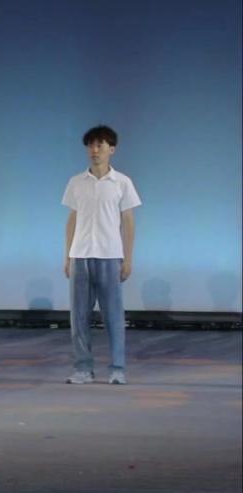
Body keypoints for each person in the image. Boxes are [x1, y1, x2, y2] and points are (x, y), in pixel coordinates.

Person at [63, 125, 140, 385]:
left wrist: (128, 258)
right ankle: (83, 368)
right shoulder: (76, 182)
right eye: (91, 146)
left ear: (111, 149)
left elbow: (128, 221)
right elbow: (72, 220)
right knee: (79, 317)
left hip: (109, 255)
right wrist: (67, 257)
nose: (94, 150)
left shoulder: (122, 182)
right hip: (80, 256)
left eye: (100, 145)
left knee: (113, 316)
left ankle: (117, 368)